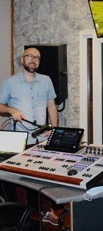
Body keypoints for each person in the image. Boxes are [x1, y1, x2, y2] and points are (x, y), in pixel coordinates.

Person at [0, 47, 59, 225]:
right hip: (20, 140)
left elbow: (52, 105)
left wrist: (54, 128)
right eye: (30, 57)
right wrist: (11, 109)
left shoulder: (46, 80)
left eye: (37, 58)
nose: (33, 60)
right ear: (22, 59)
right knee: (20, 182)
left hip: (42, 139)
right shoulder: (11, 82)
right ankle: (22, 217)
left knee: (44, 176)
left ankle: (47, 211)